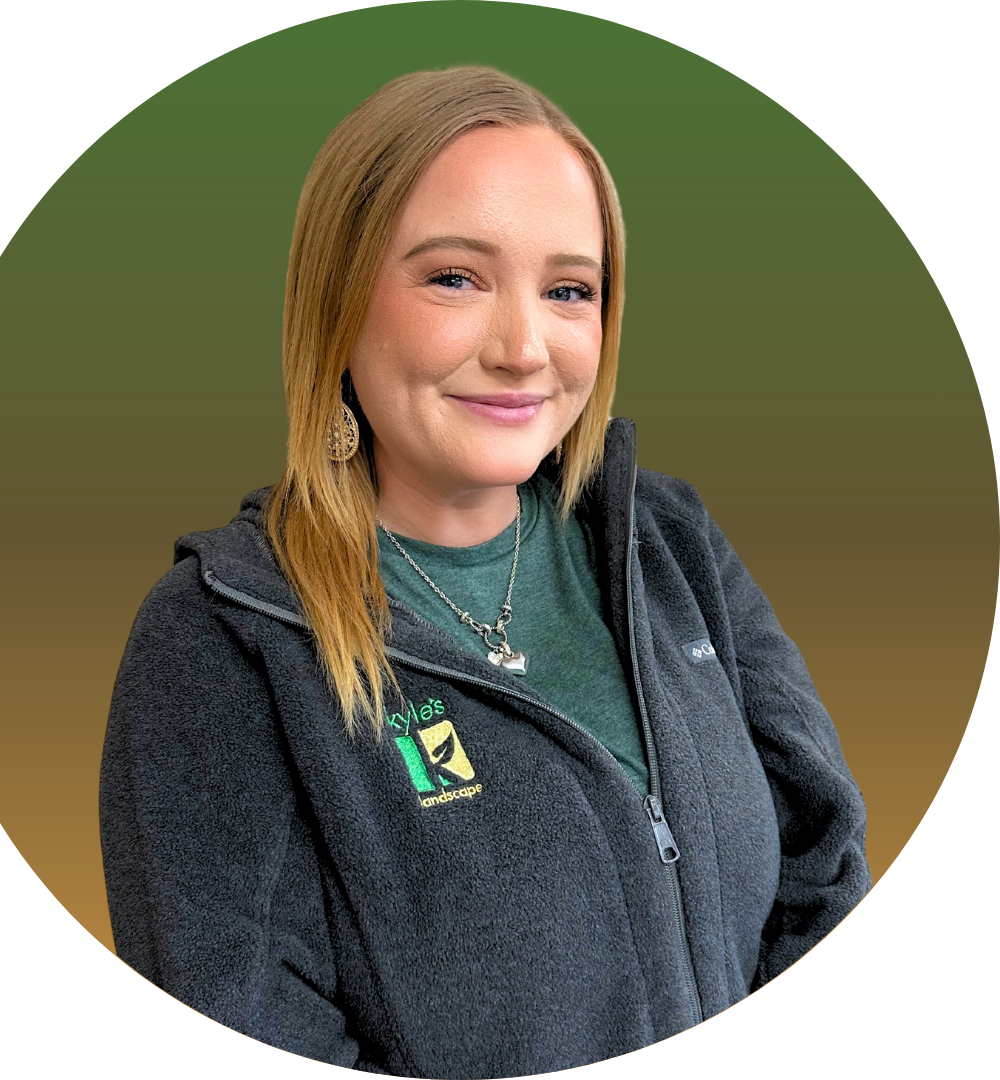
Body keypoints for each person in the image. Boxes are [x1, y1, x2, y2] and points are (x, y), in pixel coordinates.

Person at [100, 66, 870, 1078]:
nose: (523, 347)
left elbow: (826, 873)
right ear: (337, 301)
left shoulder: (670, 546)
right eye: (455, 278)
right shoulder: (222, 641)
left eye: (569, 291)